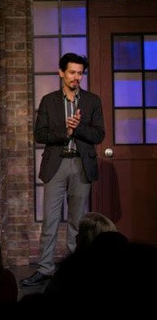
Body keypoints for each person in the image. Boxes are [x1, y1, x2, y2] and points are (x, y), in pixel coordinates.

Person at [20, 52, 105, 287]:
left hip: (81, 164)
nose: (76, 77)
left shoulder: (92, 101)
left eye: (80, 73)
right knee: (50, 220)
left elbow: (99, 134)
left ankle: (75, 268)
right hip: (56, 164)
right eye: (72, 72)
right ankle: (45, 268)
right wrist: (65, 133)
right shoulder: (49, 101)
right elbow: (40, 134)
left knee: (78, 221)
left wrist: (77, 130)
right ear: (61, 73)